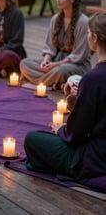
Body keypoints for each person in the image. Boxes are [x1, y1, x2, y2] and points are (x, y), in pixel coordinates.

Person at [24, 12, 106, 180]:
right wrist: (80, 96)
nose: (88, 36)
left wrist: (62, 129)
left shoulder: (93, 78)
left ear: (95, 38)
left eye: (89, 33)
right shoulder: (92, 79)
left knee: (33, 139)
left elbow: (76, 134)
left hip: (96, 157)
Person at [19, 0, 91, 90]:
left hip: (75, 65)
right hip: (55, 62)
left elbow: (78, 55)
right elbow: (49, 47)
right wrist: (46, 61)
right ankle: (53, 83)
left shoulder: (83, 22)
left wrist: (55, 64)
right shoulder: (55, 19)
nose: (58, 0)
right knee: (24, 63)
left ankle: (37, 81)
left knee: (60, 70)